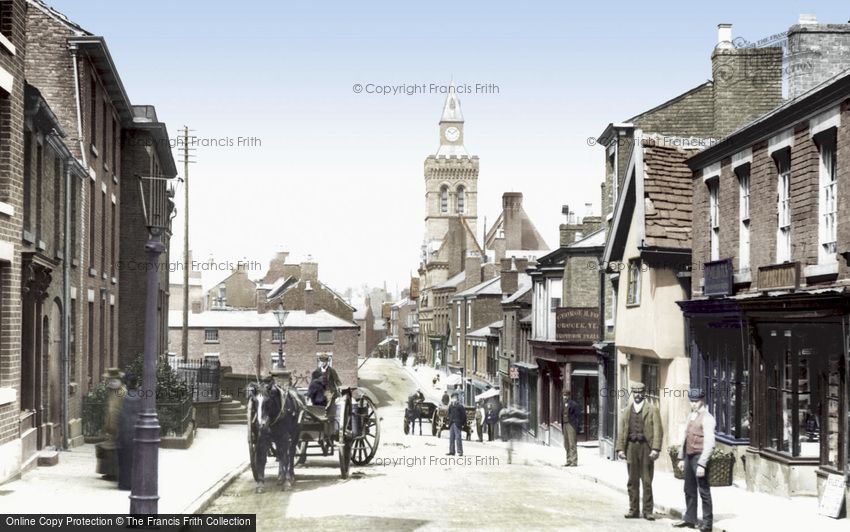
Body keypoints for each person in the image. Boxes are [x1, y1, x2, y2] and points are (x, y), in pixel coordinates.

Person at [615, 382, 663, 521]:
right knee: (632, 480)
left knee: (647, 480)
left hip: (646, 447)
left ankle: (648, 511)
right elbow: (622, 431)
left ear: (644, 393)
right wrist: (620, 449)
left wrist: (655, 448)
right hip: (631, 447)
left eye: (640, 392)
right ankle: (633, 510)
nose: (637, 395)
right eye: (635, 392)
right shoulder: (626, 411)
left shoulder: (652, 409)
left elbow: (658, 430)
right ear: (632, 394)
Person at [673, 388, 716, 532]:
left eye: (695, 401)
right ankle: (690, 519)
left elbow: (710, 444)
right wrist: (681, 457)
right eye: (691, 401)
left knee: (703, 491)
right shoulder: (691, 415)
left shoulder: (708, 418)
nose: (693, 404)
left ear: (702, 400)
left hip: (699, 457)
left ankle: (707, 523)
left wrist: (702, 464)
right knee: (689, 489)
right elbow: (685, 438)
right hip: (689, 456)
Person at [96, 368, 126, 480]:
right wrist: (106, 427)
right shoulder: (112, 392)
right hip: (111, 426)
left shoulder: (122, 392)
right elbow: (110, 410)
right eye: (110, 380)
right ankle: (110, 472)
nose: (111, 383)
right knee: (110, 450)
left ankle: (116, 473)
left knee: (116, 450)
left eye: (114, 380)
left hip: (119, 426)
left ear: (120, 381)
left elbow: (118, 410)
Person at [117, 372, 142, 490]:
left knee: (124, 460)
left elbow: (118, 415)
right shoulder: (142, 397)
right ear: (136, 384)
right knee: (136, 460)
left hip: (124, 433)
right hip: (138, 433)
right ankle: (135, 483)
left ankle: (124, 483)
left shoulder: (122, 397)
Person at [562, 391, 580, 466]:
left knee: (572, 443)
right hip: (565, 424)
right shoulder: (563, 404)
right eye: (564, 395)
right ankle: (568, 460)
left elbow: (577, 416)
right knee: (566, 444)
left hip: (571, 425)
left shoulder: (573, 404)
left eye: (566, 395)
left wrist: (575, 426)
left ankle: (574, 461)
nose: (565, 397)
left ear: (569, 396)